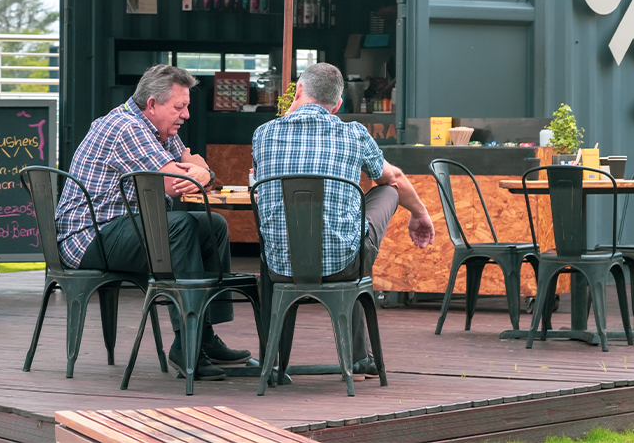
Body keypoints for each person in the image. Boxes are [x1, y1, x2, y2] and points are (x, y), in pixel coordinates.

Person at [55, 64, 251, 381]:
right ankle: (186, 344)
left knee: (211, 225)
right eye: (179, 107)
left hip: (122, 227)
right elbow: (177, 182)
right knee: (179, 227)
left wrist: (202, 173)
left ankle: (204, 336)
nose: (185, 115)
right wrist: (201, 171)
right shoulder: (127, 128)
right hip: (89, 235)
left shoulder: (157, 131)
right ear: (152, 105)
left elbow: (194, 180)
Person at [251, 62, 434, 376]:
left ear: (298, 90)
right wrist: (420, 214)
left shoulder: (263, 133)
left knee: (307, 227)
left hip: (279, 264)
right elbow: (396, 178)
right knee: (386, 190)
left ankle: (274, 359)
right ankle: (359, 356)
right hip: (342, 264)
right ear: (336, 105)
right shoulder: (353, 133)